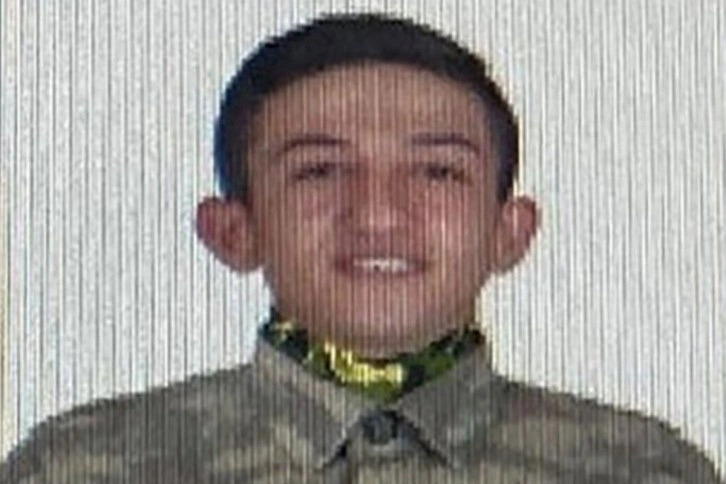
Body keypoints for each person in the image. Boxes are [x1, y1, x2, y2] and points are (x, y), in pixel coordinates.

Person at [1, 12, 721, 484]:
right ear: (232, 231)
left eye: (438, 172)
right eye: (319, 171)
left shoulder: (643, 470)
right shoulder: (82, 467)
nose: (378, 216)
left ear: (510, 231)